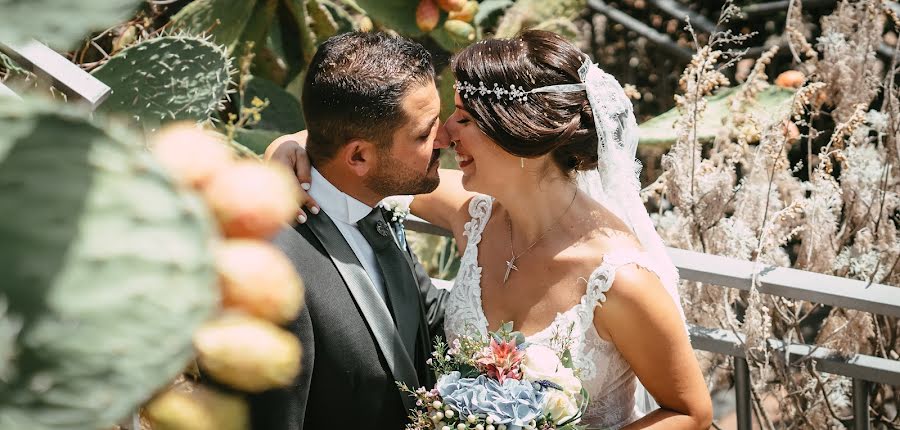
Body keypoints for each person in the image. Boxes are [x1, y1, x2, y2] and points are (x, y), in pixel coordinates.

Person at [270, 30, 713, 430]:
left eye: (462, 118)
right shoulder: (475, 216)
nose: (445, 133)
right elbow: (352, 160)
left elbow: (690, 411)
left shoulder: (619, 278)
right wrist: (284, 151)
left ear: (517, 137)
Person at [249, 31, 450, 430]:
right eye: (425, 134)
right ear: (358, 156)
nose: (445, 139)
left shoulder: (375, 209)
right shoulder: (272, 271)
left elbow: (430, 327)